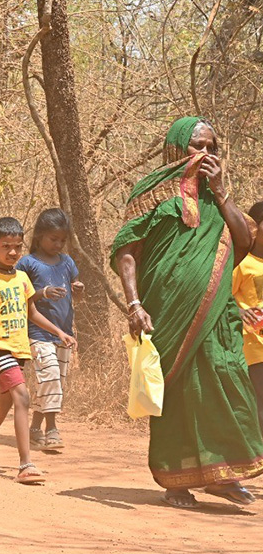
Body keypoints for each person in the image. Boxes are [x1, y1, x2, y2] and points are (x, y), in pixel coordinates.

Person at [112, 116, 263, 509]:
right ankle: (176, 479)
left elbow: (245, 244)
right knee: (179, 394)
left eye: (213, 147)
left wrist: (222, 192)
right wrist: (133, 304)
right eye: (199, 146)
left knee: (225, 380)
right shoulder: (150, 193)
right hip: (166, 314)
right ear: (178, 148)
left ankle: (221, 474)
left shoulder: (219, 198)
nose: (207, 154)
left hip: (218, 315)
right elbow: (127, 251)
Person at [0, 217, 76, 485]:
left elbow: (31, 312)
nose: (12, 252)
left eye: (17, 247)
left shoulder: (23, 278)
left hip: (20, 348)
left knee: (6, 401)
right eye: (5, 246)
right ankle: (26, 464)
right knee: (22, 396)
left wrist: (59, 332)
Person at [16, 208, 84, 452]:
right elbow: (20, 299)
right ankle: (52, 428)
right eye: (53, 239)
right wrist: (42, 292)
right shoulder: (27, 264)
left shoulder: (67, 262)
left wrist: (78, 289)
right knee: (51, 375)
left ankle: (35, 427)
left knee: (53, 382)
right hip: (37, 332)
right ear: (40, 236)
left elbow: (75, 293)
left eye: (62, 240)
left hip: (64, 332)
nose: (58, 244)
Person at [232, 201, 263, 432]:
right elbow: (222, 296)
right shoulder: (243, 263)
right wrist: (241, 311)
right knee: (259, 403)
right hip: (253, 345)